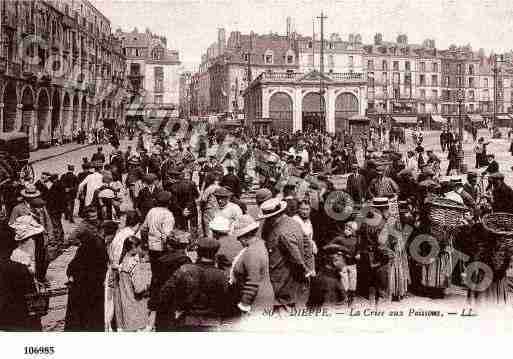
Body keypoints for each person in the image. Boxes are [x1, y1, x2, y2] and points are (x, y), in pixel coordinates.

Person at [158, 239, 231, 331]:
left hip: (187, 320)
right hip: (212, 322)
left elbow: (165, 293)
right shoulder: (221, 275)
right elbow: (227, 301)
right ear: (215, 253)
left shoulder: (185, 270)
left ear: (198, 252)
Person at [259, 198, 312, 311]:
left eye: (268, 218)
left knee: (283, 312)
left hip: (283, 280)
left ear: (273, 216)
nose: (267, 221)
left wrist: (305, 270)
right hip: (287, 279)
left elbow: (296, 257)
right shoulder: (293, 222)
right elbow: (307, 243)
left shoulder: (281, 232)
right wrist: (309, 265)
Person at [64, 221, 108, 331]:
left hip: (79, 291)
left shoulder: (83, 250)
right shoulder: (99, 247)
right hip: (94, 292)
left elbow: (70, 269)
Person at [230, 215, 275, 316]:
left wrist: (244, 304)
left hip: (257, 301)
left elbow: (253, 282)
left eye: (239, 237)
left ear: (244, 236)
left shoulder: (252, 252)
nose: (238, 240)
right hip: (263, 295)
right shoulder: (260, 244)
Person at [115, 235, 151, 331]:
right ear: (134, 247)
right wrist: (148, 286)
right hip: (135, 307)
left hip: (125, 307)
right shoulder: (134, 264)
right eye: (139, 247)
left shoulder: (123, 261)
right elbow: (138, 289)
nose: (140, 249)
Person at [307, 244, 349, 309]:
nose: (344, 264)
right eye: (343, 260)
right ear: (335, 261)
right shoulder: (329, 281)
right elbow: (329, 308)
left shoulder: (330, 275)